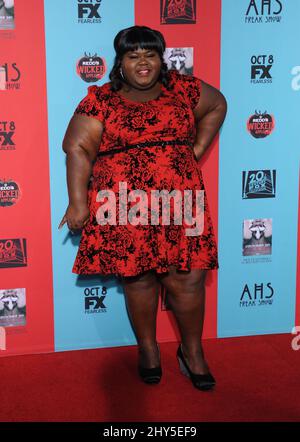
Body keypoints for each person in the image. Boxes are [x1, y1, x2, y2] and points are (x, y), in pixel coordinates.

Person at [59, 26, 227, 391]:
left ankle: (192, 352)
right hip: (124, 204)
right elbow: (77, 148)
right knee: (138, 277)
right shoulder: (101, 99)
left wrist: (196, 149)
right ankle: (148, 350)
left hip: (180, 201)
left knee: (190, 278)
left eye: (150, 54)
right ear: (120, 62)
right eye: (133, 56)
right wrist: (76, 202)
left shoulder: (183, 89)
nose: (143, 63)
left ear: (160, 58)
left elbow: (217, 105)